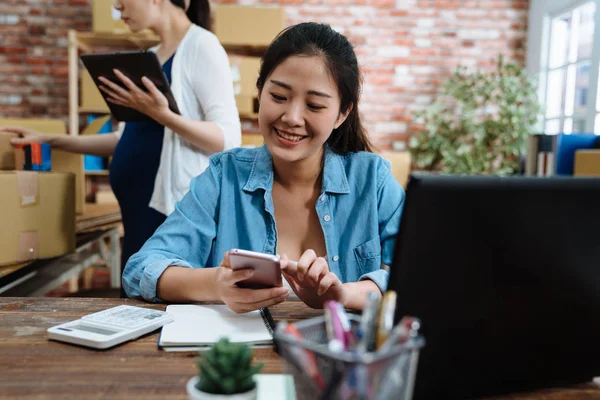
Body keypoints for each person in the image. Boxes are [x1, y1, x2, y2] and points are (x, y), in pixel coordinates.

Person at [123, 22, 405, 312]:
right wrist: (216, 285)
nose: (292, 117)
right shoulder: (224, 176)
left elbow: (426, 274)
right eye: (279, 97)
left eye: (315, 106)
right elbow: (141, 268)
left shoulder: (372, 181)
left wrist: (343, 296)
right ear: (260, 92)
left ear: (341, 114)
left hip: (338, 354)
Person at [0, 0, 241, 297]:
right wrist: (51, 139)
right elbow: (125, 138)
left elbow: (229, 139)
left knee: (164, 303)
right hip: (136, 210)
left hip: (170, 214)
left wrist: (162, 114)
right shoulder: (151, 57)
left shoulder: (202, 46)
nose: (116, 6)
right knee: (137, 299)